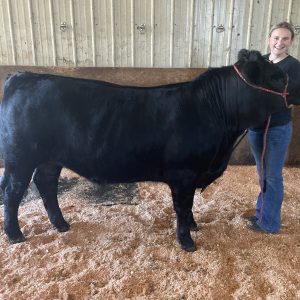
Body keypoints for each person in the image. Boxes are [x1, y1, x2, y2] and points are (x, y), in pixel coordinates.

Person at [247, 21, 300, 233]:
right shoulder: (260, 61)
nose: (280, 42)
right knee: (262, 173)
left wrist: (287, 102)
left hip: (276, 127)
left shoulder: (294, 67)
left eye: (285, 38)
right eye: (276, 38)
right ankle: (262, 213)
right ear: (269, 39)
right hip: (256, 127)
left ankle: (269, 224)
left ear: (291, 41)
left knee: (272, 175)